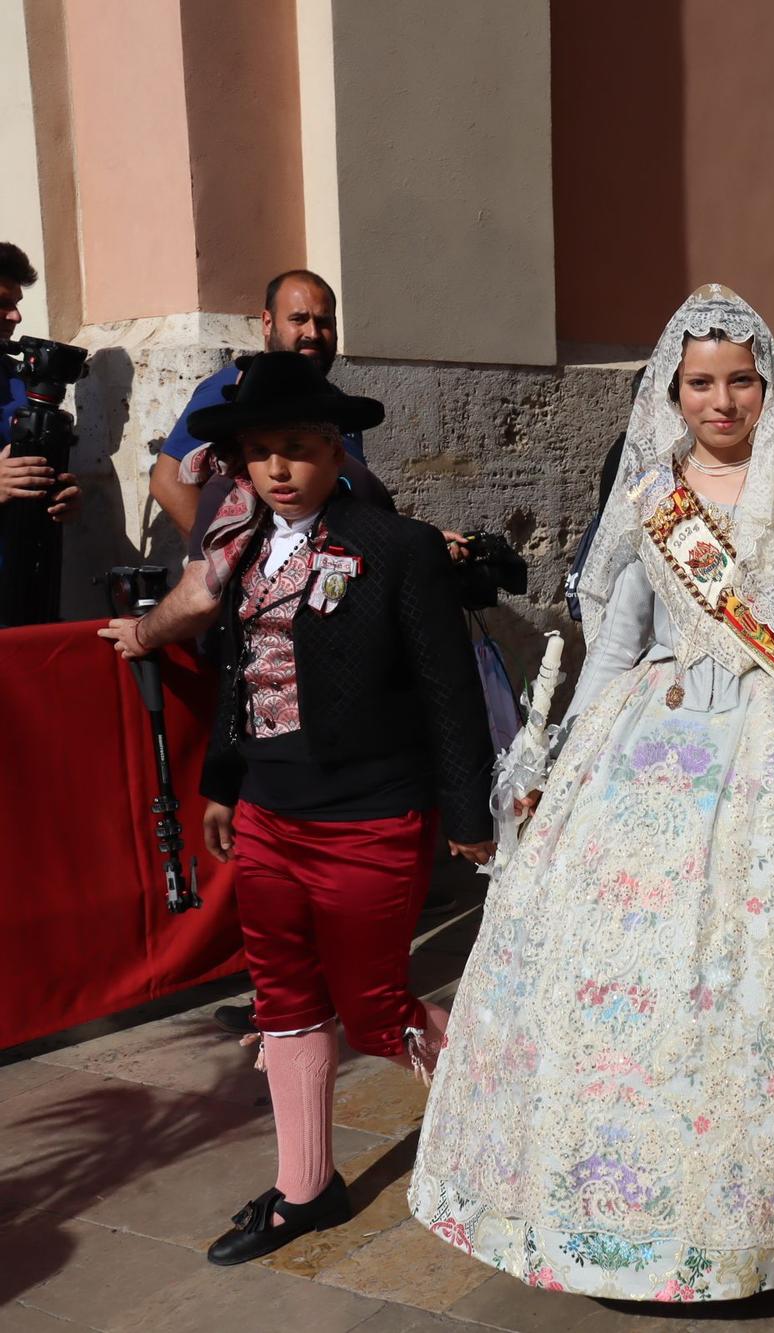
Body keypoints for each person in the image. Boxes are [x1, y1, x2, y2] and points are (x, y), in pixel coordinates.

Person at [406, 286, 774, 1301]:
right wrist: (560, 761)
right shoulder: (649, 494)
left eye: (740, 381)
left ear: (767, 386)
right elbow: (616, 635)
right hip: (646, 742)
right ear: (673, 389)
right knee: (609, 967)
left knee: (752, 971)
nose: (721, 401)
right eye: (701, 383)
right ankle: (602, 1201)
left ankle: (756, 1214)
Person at [103, 351, 496, 1264]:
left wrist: (467, 811)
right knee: (282, 997)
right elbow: (241, 678)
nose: (277, 468)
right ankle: (305, 1186)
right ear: (238, 463)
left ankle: (501, 1104)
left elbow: (447, 691)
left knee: (371, 1006)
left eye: (298, 448)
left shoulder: (398, 548)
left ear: (334, 449)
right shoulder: (236, 550)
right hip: (272, 810)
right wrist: (220, 786)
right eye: (258, 453)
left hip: (369, 814)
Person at [150, 271, 367, 541]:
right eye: (298, 319)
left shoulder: (336, 404)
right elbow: (167, 482)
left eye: (323, 322)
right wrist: (220, 559)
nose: (313, 333)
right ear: (267, 322)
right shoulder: (234, 392)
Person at [0, 242, 80, 626]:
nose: (15, 316)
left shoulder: (20, 383)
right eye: (2, 303)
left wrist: (56, 491)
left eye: (16, 303)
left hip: (23, 590)